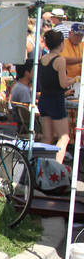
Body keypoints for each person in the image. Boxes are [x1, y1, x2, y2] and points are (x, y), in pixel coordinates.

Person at [38, 30, 77, 163]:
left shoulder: (42, 59)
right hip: (55, 100)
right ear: (61, 44)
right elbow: (63, 83)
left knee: (47, 137)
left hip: (44, 99)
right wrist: (75, 79)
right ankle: (56, 166)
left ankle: (40, 167)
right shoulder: (60, 60)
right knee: (64, 137)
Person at [8, 63, 34, 130]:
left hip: (18, 122)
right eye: (33, 71)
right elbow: (26, 112)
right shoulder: (24, 90)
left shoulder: (17, 86)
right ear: (27, 73)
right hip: (24, 125)